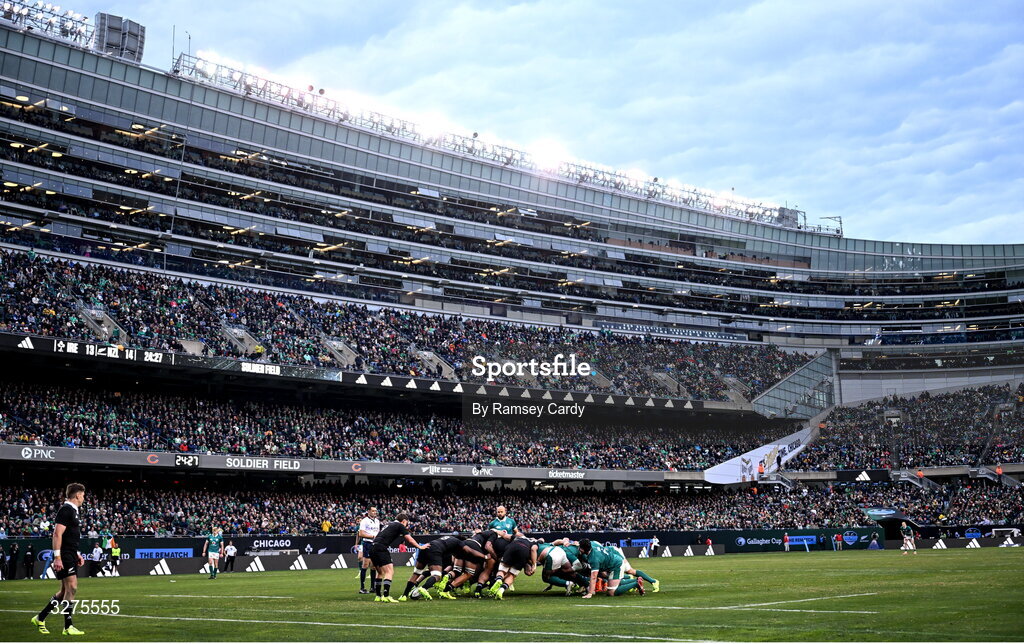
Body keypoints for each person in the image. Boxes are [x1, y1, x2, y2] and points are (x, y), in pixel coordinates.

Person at [31, 482, 87, 636]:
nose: (83, 498)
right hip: (64, 555)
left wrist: (76, 553)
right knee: (72, 587)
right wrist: (57, 557)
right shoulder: (66, 510)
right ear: (77, 495)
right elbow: (57, 534)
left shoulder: (73, 511)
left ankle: (40, 618)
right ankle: (68, 627)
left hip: (70, 553)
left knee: (64, 591)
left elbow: (69, 536)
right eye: (82, 494)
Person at [368, 514, 426, 603]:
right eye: (406, 523)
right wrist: (420, 547)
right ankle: (386, 596)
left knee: (380, 572)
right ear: (403, 521)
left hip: (372, 547)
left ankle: (378, 596)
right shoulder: (400, 525)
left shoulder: (388, 524)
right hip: (381, 547)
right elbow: (409, 539)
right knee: (389, 571)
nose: (406, 525)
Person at [398, 535, 461, 601]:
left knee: (416, 573)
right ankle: (424, 588)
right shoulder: (456, 545)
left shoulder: (445, 539)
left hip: (426, 547)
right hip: (435, 552)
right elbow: (453, 562)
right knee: (437, 575)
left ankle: (404, 595)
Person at [578, 539, 643, 599]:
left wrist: (590, 593)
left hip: (616, 565)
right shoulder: (592, 547)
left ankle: (636, 583)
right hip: (612, 563)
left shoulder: (594, 559)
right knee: (609, 580)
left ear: (584, 549)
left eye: (580, 547)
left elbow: (594, 577)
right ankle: (635, 581)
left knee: (611, 592)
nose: (578, 548)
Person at [487, 536, 538, 600]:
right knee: (512, 575)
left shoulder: (520, 537)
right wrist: (534, 565)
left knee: (502, 570)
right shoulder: (534, 542)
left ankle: (499, 580)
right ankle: (501, 590)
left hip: (512, 547)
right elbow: (533, 549)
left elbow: (506, 537)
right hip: (524, 550)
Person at [357, 507, 380, 595]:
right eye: (373, 511)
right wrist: (373, 536)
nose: (375, 512)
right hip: (367, 544)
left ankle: (372, 587)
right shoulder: (364, 521)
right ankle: (362, 588)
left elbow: (377, 532)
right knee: (365, 564)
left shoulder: (377, 521)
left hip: (375, 544)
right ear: (369, 511)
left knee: (374, 566)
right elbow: (361, 533)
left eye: (375, 511)